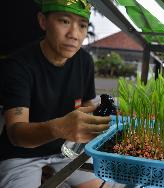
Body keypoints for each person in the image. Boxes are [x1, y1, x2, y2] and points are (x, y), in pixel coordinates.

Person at [0, 0, 115, 187]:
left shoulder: (84, 61)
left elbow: (87, 106)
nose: (74, 35)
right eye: (64, 21)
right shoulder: (19, 65)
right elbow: (15, 133)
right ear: (43, 21)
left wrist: (104, 116)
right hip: (22, 154)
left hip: (66, 150)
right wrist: (58, 128)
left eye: (83, 25)